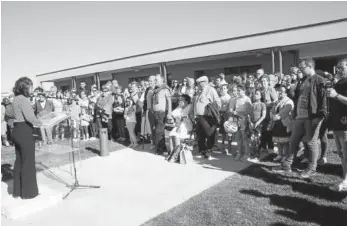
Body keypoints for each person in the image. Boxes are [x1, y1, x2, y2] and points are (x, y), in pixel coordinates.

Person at [273, 58, 327, 178]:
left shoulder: (319, 80)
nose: (300, 70)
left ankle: (311, 169)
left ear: (310, 66)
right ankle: (287, 165)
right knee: (293, 141)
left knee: (311, 142)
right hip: (299, 116)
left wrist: (319, 117)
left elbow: (323, 100)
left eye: (302, 68)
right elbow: (297, 97)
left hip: (311, 117)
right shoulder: (302, 80)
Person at [11, 77, 42, 199]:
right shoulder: (24, 100)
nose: (32, 89)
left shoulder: (15, 99)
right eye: (31, 86)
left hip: (16, 130)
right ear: (25, 87)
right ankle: (29, 193)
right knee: (28, 162)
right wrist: (42, 122)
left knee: (19, 161)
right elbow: (30, 117)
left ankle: (17, 191)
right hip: (24, 131)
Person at [327, 58, 347, 191]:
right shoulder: (339, 82)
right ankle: (345, 180)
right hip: (337, 124)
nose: (339, 70)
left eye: (342, 68)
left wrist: (336, 95)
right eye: (338, 68)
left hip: (345, 125)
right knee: (342, 155)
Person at [192, 75, 221, 159]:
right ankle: (202, 150)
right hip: (199, 116)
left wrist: (213, 111)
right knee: (201, 133)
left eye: (199, 83)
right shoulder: (199, 91)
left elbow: (217, 102)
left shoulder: (211, 90)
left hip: (207, 116)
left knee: (209, 133)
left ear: (204, 82)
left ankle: (209, 150)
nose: (198, 84)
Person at [227, 84, 252, 161]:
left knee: (245, 138)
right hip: (237, 120)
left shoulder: (247, 99)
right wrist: (233, 113)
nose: (238, 92)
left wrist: (238, 114)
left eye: (239, 90)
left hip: (244, 120)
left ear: (244, 91)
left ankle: (247, 154)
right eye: (237, 90)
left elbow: (248, 111)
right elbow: (233, 109)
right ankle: (239, 153)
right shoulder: (236, 99)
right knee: (239, 138)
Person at [270, 84, 294, 162]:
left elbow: (286, 111)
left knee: (285, 142)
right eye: (279, 91)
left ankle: (285, 155)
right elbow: (272, 110)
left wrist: (276, 116)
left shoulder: (289, 101)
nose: (280, 93)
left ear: (286, 93)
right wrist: (272, 115)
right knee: (278, 141)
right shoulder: (277, 101)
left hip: (284, 124)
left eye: (282, 91)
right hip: (277, 124)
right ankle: (280, 154)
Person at [152, 74, 172, 155]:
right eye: (155, 79)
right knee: (159, 131)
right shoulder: (156, 90)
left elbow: (169, 101)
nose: (155, 81)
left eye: (156, 79)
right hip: (155, 113)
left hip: (162, 113)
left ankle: (158, 149)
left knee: (158, 131)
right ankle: (162, 148)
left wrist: (169, 113)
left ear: (162, 80)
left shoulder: (165, 89)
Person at [259, 74, 278, 154]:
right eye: (262, 81)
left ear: (268, 81)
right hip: (262, 113)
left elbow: (276, 101)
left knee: (268, 130)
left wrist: (268, 104)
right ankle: (263, 147)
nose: (263, 82)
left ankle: (270, 148)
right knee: (263, 130)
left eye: (265, 81)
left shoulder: (271, 89)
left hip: (269, 112)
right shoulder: (260, 90)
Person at [143, 75, 156, 149]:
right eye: (149, 81)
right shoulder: (148, 90)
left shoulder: (156, 90)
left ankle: (156, 143)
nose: (150, 82)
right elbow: (146, 101)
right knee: (151, 128)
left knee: (155, 128)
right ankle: (153, 143)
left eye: (151, 81)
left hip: (154, 111)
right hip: (149, 110)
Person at [219, 84, 231, 154]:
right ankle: (223, 146)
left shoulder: (229, 97)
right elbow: (219, 107)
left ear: (227, 89)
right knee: (223, 132)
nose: (223, 90)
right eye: (222, 88)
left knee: (228, 132)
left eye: (224, 88)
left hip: (227, 115)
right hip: (221, 114)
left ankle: (228, 147)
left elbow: (228, 107)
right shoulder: (220, 97)